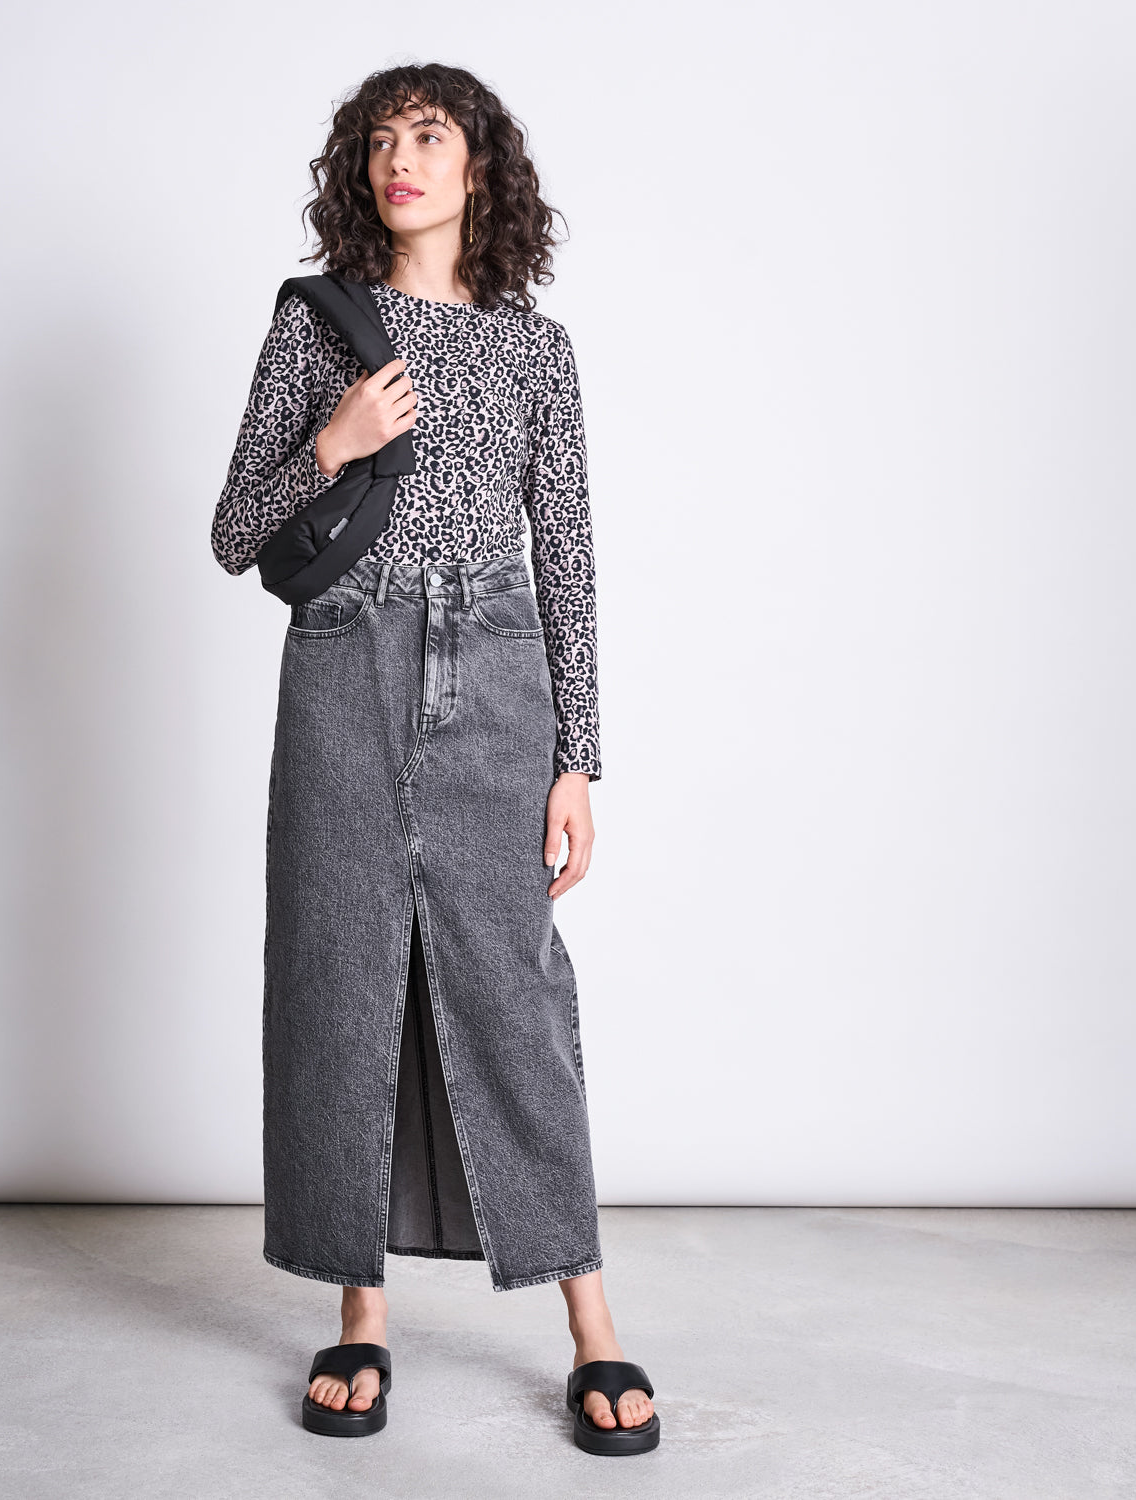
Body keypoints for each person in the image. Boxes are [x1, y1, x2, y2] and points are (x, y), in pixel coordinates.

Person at [210, 63, 660, 1456]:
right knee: (343, 975)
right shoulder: (317, 324)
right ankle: (361, 1315)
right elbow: (234, 532)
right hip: (345, 662)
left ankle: (593, 1327)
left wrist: (579, 758)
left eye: (429, 134)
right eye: (379, 140)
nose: (400, 158)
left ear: (479, 167)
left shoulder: (537, 351)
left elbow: (566, 556)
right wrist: (332, 442)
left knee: (515, 994)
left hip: (497, 670)